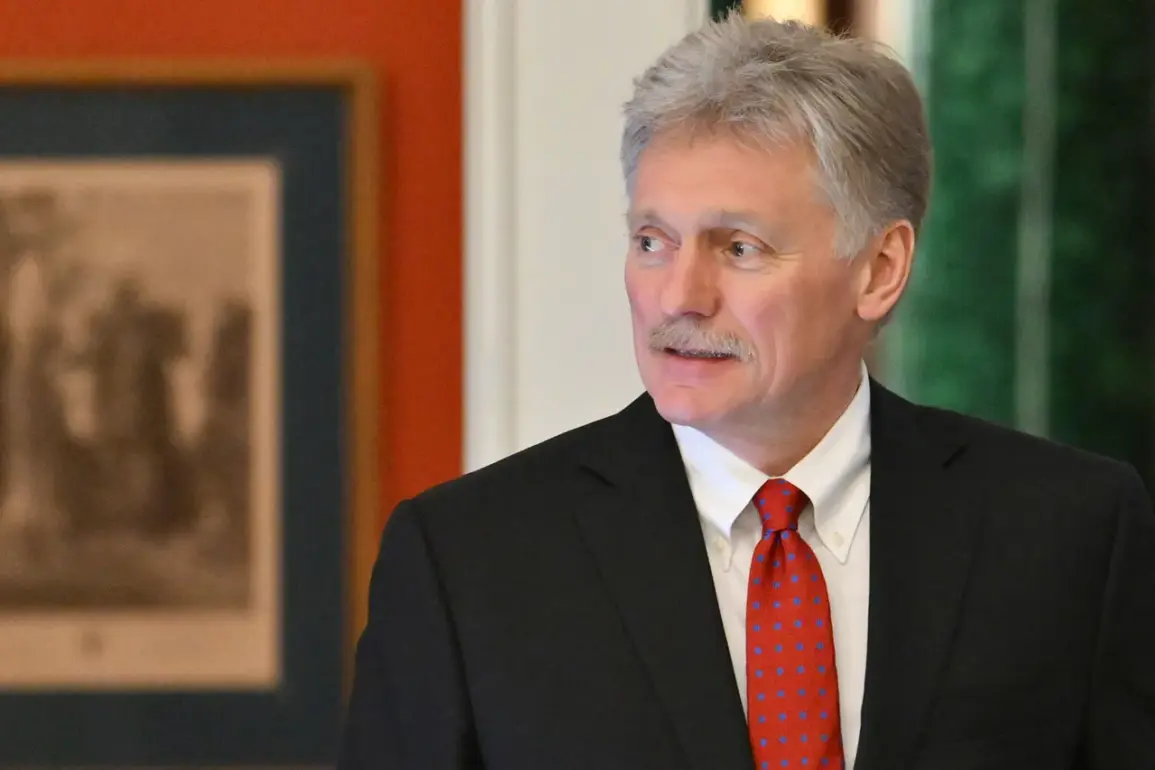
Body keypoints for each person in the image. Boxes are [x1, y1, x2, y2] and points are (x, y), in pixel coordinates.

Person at [339, 11, 1155, 770]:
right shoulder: (467, 561)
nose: (678, 296)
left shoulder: (1072, 533)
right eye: (652, 241)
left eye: (738, 248)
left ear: (879, 269)